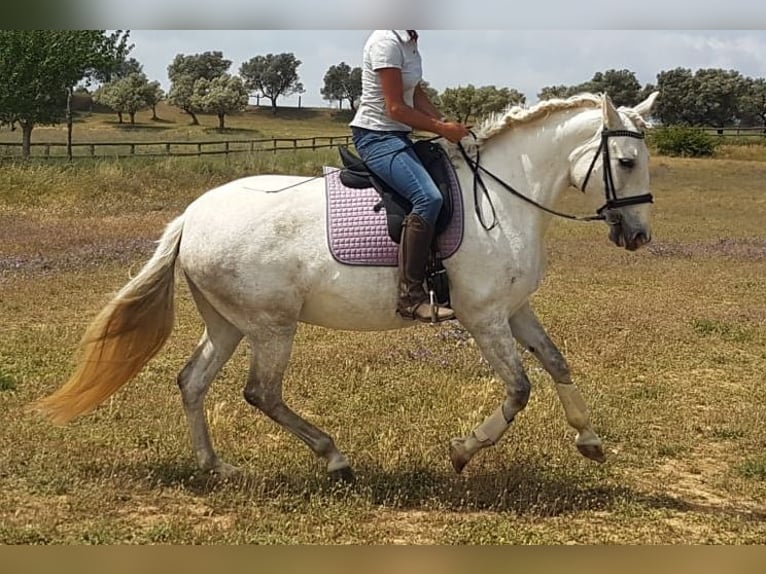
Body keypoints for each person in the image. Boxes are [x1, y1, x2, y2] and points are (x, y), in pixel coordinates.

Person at [349, 30, 471, 323]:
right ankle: (411, 298)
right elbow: (396, 108)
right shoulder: (386, 42)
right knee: (427, 198)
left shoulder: (409, 41)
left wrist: (444, 124)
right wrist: (442, 130)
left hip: (398, 135)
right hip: (376, 137)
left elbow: (415, 93)